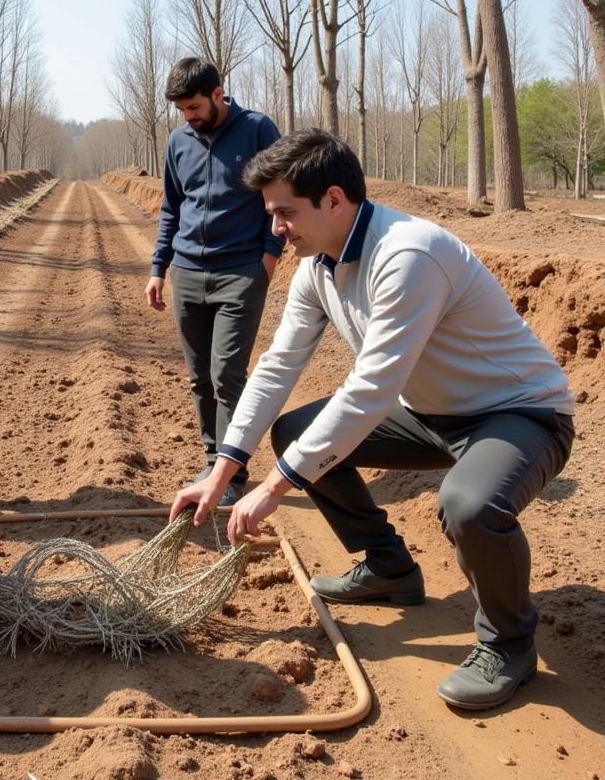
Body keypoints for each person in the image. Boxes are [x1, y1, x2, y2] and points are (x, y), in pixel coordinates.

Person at [170, 127, 574, 712]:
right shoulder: (317, 265)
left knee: (469, 505)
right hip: (429, 414)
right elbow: (278, 364)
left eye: (285, 213)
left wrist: (275, 487)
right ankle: (390, 570)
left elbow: (369, 390)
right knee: (295, 432)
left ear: (334, 200)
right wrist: (224, 466)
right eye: (271, 215)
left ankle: (509, 645)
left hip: (517, 412)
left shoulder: (407, 254)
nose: (276, 228)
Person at [146, 56, 284, 505]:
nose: (188, 117)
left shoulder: (258, 130)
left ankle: (233, 473)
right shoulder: (178, 142)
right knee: (198, 376)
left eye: (194, 107)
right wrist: (158, 269)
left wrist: (269, 256)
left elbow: (280, 193)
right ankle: (212, 459)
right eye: (182, 110)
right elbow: (171, 209)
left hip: (240, 270)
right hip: (187, 272)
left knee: (227, 372)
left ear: (218, 94)